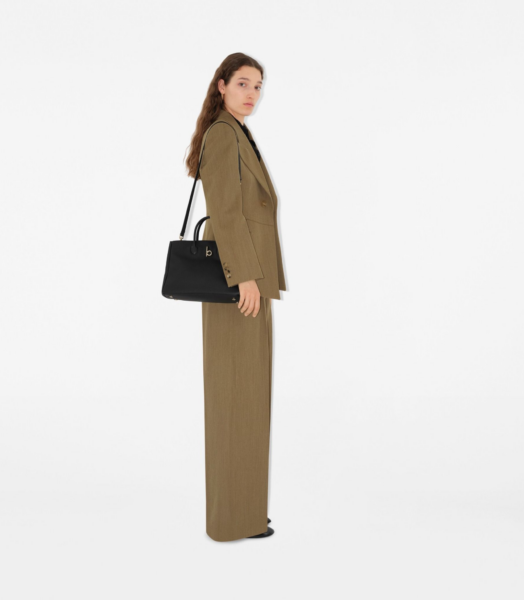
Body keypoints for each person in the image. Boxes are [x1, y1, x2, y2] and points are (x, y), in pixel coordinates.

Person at [185, 52, 287, 542]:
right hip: (239, 282)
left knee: (247, 396)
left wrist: (253, 277)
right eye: (243, 83)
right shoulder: (224, 134)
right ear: (222, 85)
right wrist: (244, 276)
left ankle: (244, 512)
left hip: (250, 279)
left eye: (258, 86)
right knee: (235, 397)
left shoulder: (237, 132)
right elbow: (224, 212)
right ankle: (231, 519)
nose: (252, 93)